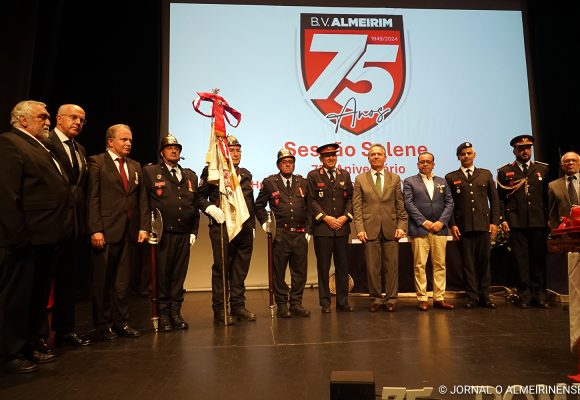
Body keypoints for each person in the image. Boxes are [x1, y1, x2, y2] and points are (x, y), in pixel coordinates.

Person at [0, 100, 74, 373]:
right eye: (42, 117)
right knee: (16, 299)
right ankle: (9, 353)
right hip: (25, 240)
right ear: (23, 120)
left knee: (36, 298)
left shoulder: (41, 146)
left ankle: (30, 344)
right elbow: (7, 196)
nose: (47, 122)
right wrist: (18, 237)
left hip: (46, 239)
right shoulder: (10, 143)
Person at [86, 124, 149, 340]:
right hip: (105, 231)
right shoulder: (96, 162)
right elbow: (92, 198)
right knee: (102, 281)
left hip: (129, 232)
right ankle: (103, 326)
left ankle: (121, 322)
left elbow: (142, 199)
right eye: (124, 139)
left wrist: (143, 226)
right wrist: (95, 229)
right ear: (110, 142)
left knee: (123, 282)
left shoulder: (135, 166)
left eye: (130, 140)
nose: (128, 143)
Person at [196, 135, 256, 325]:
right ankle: (220, 309)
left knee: (240, 270)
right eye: (232, 150)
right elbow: (199, 197)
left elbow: (249, 202)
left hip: (244, 229)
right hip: (222, 227)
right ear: (224, 152)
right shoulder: (212, 171)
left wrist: (253, 226)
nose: (236, 154)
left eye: (238, 150)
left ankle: (238, 306)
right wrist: (210, 209)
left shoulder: (246, 173)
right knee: (222, 270)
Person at [143, 134, 200, 331]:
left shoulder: (190, 175)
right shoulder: (150, 172)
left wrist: (194, 231)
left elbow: (194, 205)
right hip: (163, 234)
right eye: (169, 148)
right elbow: (143, 203)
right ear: (162, 152)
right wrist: (147, 228)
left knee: (178, 276)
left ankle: (176, 313)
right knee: (162, 275)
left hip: (183, 234)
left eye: (177, 148)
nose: (174, 150)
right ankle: (164, 314)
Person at [47, 104, 91, 346]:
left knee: (68, 280)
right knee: (44, 282)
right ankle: (39, 336)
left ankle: (65, 330)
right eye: (73, 117)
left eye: (82, 120)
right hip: (51, 223)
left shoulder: (80, 149)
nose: (78, 123)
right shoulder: (46, 143)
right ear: (59, 118)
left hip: (75, 225)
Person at [255, 148, 312, 318]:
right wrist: (264, 222)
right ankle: (281, 304)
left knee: (300, 272)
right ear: (278, 164)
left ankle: (296, 303)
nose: (288, 164)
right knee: (279, 271)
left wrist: (309, 229)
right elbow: (259, 205)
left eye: (291, 162)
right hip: (281, 234)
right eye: (284, 162)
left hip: (300, 234)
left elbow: (310, 207)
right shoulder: (270, 182)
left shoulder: (303, 182)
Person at [497, 134, 550, 308]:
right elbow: (500, 199)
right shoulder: (505, 171)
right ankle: (525, 295)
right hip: (516, 222)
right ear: (514, 151)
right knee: (520, 261)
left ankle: (540, 295)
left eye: (527, 148)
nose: (525, 151)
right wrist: (503, 219)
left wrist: (549, 219)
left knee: (538, 260)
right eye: (521, 149)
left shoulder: (542, 169)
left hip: (538, 221)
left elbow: (547, 197)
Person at [353, 144, 407, 312]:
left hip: (391, 229)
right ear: (368, 158)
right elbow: (357, 207)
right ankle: (376, 298)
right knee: (372, 268)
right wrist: (359, 228)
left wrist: (402, 225)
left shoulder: (395, 178)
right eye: (372, 154)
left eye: (379, 154)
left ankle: (391, 299)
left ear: (385, 157)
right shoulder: (360, 179)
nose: (376, 157)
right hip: (369, 230)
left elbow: (400, 205)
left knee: (392, 267)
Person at [445, 142, 500, 309]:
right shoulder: (451, 177)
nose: (466, 156)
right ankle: (471, 296)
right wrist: (452, 224)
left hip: (483, 225)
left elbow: (494, 200)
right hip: (463, 226)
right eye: (463, 154)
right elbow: (449, 204)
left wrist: (494, 222)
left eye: (469, 153)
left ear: (474, 155)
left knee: (484, 262)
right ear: (458, 157)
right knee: (467, 263)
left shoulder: (485, 174)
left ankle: (485, 296)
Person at [403, 152, 454, 311]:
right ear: (418, 164)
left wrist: (441, 222)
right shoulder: (409, 181)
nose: (425, 164)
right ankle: (423, 298)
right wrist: (424, 222)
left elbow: (450, 203)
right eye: (422, 162)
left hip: (439, 229)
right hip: (419, 229)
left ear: (433, 164)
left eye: (428, 162)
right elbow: (408, 204)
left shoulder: (442, 181)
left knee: (440, 264)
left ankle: (439, 297)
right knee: (420, 265)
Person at [307, 143, 354, 313]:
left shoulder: (345, 175)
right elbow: (311, 201)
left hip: (342, 228)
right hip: (322, 229)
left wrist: (345, 217)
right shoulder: (313, 176)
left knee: (343, 267)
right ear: (321, 158)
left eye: (333, 155)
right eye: (327, 156)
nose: (331, 158)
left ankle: (342, 302)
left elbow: (350, 199)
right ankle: (325, 303)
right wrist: (326, 218)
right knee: (323, 267)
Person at [548, 151, 580, 230]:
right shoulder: (553, 185)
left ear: (579, 164)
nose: (570, 163)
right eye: (567, 161)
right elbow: (553, 214)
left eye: (574, 160)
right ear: (562, 166)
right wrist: (555, 232)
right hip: (565, 231)